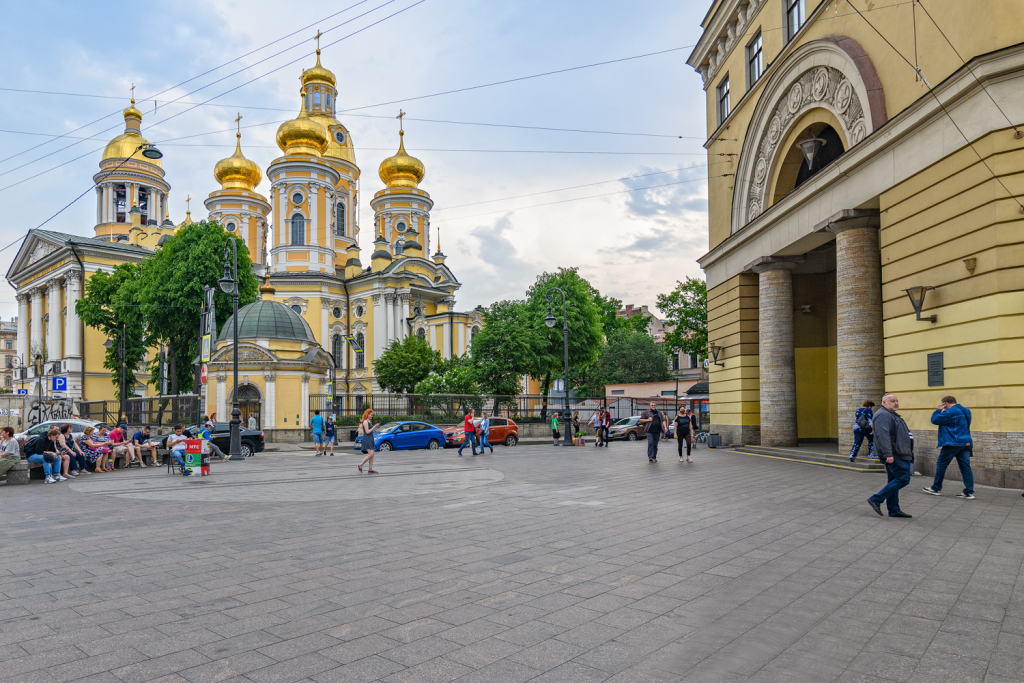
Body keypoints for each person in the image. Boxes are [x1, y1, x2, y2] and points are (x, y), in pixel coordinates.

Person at [868, 394, 914, 518]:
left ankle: (893, 509)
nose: (896, 403)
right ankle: (876, 499)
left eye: (897, 401)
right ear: (884, 402)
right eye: (892, 401)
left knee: (893, 480)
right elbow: (883, 436)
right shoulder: (883, 415)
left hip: (897, 452)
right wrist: (888, 454)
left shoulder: (891, 415)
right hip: (895, 454)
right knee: (903, 479)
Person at [923, 395, 975, 499]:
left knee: (941, 465)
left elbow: (935, 420)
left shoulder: (949, 412)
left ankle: (936, 488)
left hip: (952, 443)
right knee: (965, 468)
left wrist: (938, 410)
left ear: (945, 403)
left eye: (943, 405)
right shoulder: (967, 411)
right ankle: (969, 492)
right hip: (966, 443)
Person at [357, 408, 378, 473]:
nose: (372, 416)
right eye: (371, 415)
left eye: (372, 415)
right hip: (367, 439)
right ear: (367, 414)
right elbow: (367, 431)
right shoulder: (365, 422)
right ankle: (360, 465)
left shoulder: (369, 421)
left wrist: (374, 427)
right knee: (370, 454)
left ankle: (370, 469)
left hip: (370, 438)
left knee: (372, 454)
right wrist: (374, 427)